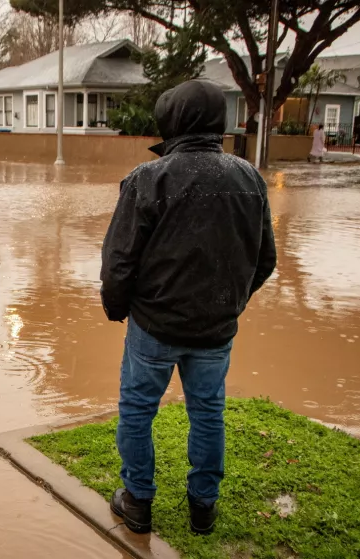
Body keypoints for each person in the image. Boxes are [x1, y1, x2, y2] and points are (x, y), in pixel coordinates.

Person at [100, 80, 276, 536]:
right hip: (216, 330)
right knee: (208, 412)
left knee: (138, 411)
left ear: (173, 122)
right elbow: (265, 260)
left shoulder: (147, 178)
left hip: (153, 327)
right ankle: (204, 507)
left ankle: (137, 501)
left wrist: (118, 308)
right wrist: (230, 305)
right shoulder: (250, 178)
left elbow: (119, 260)